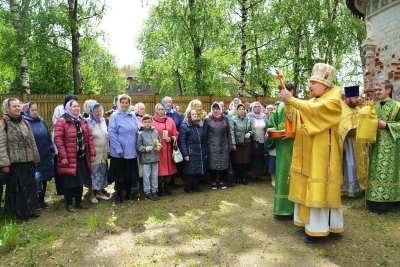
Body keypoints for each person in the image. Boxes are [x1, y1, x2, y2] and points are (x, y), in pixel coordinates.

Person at [280, 63, 343, 243]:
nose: (309, 86)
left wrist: (292, 100)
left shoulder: (333, 100)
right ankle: (308, 224)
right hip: (309, 153)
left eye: (312, 83)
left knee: (319, 188)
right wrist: (288, 104)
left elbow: (314, 111)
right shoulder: (314, 100)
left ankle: (319, 229)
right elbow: (299, 116)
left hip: (323, 156)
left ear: (324, 85)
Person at [0, 98, 41, 219]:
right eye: (14, 106)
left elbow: (32, 141)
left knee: (30, 187)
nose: (17, 108)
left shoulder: (25, 123)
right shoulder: (3, 124)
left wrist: (35, 157)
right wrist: (5, 164)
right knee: (17, 189)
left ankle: (30, 210)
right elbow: (1, 145)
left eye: (18, 106)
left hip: (28, 161)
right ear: (8, 108)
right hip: (14, 163)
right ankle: (19, 213)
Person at [54, 99, 96, 212]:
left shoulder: (82, 120)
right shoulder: (62, 121)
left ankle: (78, 202)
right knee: (69, 183)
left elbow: (89, 138)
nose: (76, 108)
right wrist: (63, 156)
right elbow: (58, 139)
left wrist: (92, 152)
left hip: (81, 156)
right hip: (69, 158)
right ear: (68, 108)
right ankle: (69, 204)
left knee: (80, 181)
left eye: (78, 106)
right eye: (74, 107)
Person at [367, 80, 400, 214]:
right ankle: (375, 201)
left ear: (388, 90)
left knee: (390, 172)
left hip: (392, 145)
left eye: (380, 89)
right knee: (376, 172)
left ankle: (390, 202)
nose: (377, 92)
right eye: (376, 90)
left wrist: (386, 125)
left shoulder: (397, 106)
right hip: (376, 144)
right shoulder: (373, 107)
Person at [267, 82, 297, 219]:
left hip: (295, 149)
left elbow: (304, 128)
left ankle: (295, 210)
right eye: (279, 91)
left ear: (292, 92)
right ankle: (281, 209)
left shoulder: (298, 107)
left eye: (283, 91)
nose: (280, 94)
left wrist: (292, 132)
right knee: (281, 176)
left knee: (295, 177)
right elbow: (271, 126)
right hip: (281, 148)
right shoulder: (278, 109)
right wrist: (271, 131)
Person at [22, 102, 55, 210]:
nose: (35, 112)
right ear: (27, 110)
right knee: (34, 179)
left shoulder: (41, 120)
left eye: (36, 109)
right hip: (33, 157)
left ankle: (41, 200)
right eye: (32, 110)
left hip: (45, 155)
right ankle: (33, 202)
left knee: (44, 178)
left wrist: (52, 150)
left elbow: (48, 137)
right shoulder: (24, 122)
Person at [108, 94, 139, 204]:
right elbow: (112, 134)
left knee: (130, 173)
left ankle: (129, 194)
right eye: (122, 102)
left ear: (129, 103)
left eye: (127, 102)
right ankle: (119, 195)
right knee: (120, 174)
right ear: (119, 103)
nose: (125, 105)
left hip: (131, 150)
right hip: (119, 152)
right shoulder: (115, 116)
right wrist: (118, 148)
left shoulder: (133, 115)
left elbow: (136, 132)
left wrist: (137, 146)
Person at [339, 85, 368, 197]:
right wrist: (342, 143)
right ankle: (349, 190)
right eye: (355, 97)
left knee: (360, 165)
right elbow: (340, 127)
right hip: (347, 142)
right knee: (349, 164)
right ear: (347, 98)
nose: (358, 99)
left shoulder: (357, 108)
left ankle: (360, 188)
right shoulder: (341, 109)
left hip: (359, 141)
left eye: (357, 97)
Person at [52, 94, 78, 195]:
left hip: (73, 148)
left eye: (74, 101)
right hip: (62, 148)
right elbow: (56, 124)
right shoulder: (59, 109)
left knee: (73, 171)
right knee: (62, 170)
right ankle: (63, 192)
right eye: (70, 101)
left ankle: (74, 192)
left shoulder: (77, 115)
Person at [153, 103, 179, 195]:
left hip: (169, 148)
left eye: (162, 109)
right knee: (160, 170)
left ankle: (167, 187)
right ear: (156, 110)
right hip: (159, 149)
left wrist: (171, 138)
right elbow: (151, 135)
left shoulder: (170, 120)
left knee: (169, 170)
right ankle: (160, 188)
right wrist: (156, 145)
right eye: (159, 109)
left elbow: (176, 132)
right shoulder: (152, 121)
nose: (161, 111)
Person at [178, 109, 208, 193]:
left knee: (198, 171)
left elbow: (203, 140)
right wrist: (185, 154)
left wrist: (205, 152)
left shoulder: (199, 126)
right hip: (190, 153)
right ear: (189, 116)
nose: (195, 115)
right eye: (193, 114)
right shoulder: (184, 126)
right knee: (189, 171)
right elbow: (182, 142)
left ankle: (195, 185)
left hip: (200, 152)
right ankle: (187, 186)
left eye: (196, 114)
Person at [204, 102, 231, 189]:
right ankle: (213, 181)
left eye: (217, 109)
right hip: (212, 144)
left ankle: (221, 180)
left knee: (223, 163)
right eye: (214, 109)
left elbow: (229, 133)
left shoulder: (225, 118)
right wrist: (205, 146)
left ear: (220, 109)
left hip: (223, 144)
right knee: (213, 163)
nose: (215, 111)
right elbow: (205, 134)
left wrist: (230, 144)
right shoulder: (207, 119)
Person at [86, 102, 110, 203]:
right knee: (93, 174)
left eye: (100, 111)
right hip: (93, 153)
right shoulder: (88, 121)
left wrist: (108, 150)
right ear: (92, 112)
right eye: (96, 111)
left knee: (101, 172)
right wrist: (89, 153)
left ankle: (100, 193)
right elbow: (87, 139)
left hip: (103, 152)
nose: (98, 113)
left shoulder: (103, 120)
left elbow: (107, 137)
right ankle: (91, 194)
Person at [136, 114, 162, 201]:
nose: (147, 123)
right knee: (146, 176)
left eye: (149, 122)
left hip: (155, 157)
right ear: (142, 123)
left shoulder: (156, 132)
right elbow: (138, 146)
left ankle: (154, 191)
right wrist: (146, 148)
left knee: (154, 176)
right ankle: (147, 192)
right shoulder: (140, 133)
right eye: (145, 122)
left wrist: (159, 146)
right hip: (146, 159)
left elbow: (159, 142)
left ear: (152, 122)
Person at [229, 103, 253, 184]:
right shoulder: (233, 119)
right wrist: (233, 143)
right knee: (237, 161)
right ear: (237, 110)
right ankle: (237, 177)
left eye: (243, 109)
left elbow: (252, 130)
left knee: (245, 161)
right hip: (237, 143)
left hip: (246, 143)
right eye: (240, 109)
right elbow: (231, 132)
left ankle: (244, 177)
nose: (241, 111)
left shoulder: (248, 119)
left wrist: (250, 133)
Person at [247, 101, 268, 181]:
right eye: (255, 106)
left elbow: (267, 127)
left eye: (258, 106)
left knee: (260, 158)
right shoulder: (249, 116)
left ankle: (259, 175)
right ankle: (253, 175)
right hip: (253, 140)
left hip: (262, 140)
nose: (257, 108)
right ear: (252, 108)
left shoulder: (264, 116)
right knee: (253, 158)